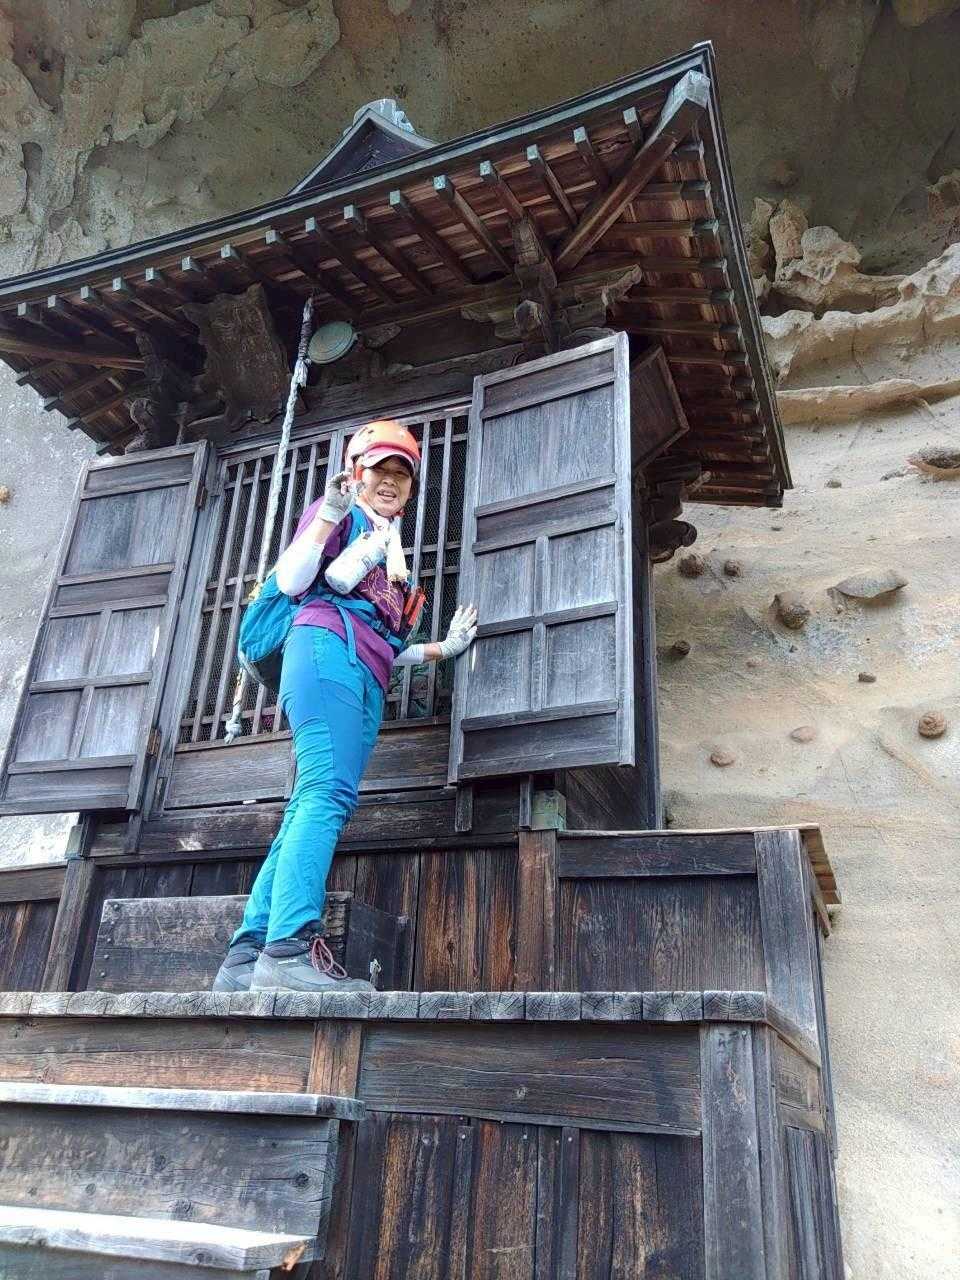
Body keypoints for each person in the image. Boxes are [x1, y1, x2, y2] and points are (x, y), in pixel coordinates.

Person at [213, 420, 478, 993]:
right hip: (326, 649)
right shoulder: (343, 515)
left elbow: (387, 641)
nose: (390, 481)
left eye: (402, 474)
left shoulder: (392, 559)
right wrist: (330, 515)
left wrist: (445, 648)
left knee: (316, 799)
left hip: (365, 671)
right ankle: (288, 949)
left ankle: (246, 956)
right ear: (358, 473)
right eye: (380, 469)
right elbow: (293, 581)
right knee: (325, 795)